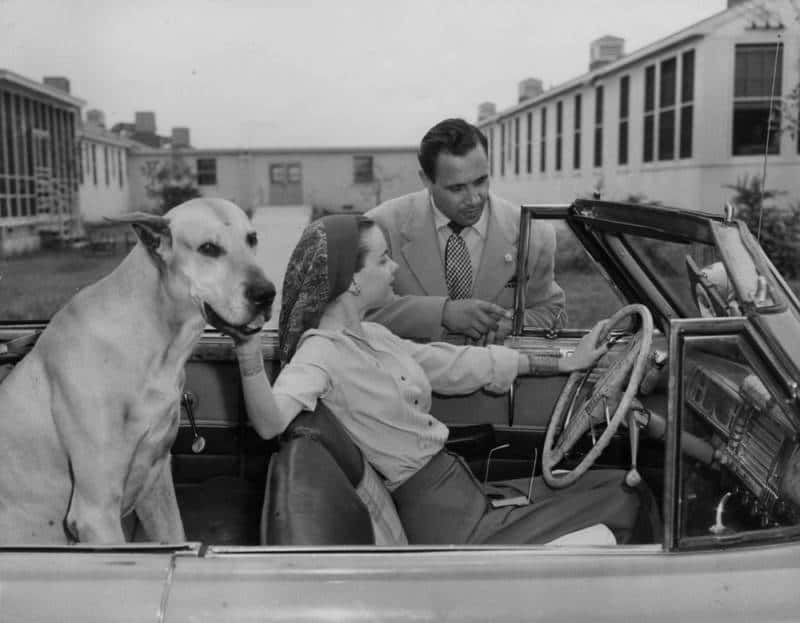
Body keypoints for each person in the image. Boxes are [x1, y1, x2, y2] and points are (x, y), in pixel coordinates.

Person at [233, 214, 659, 545]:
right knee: (625, 500)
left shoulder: (373, 336)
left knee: (613, 481)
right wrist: (248, 349)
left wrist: (565, 362)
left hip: (460, 488)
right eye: (382, 260)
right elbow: (270, 423)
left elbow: (460, 363)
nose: (394, 268)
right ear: (352, 281)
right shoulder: (321, 353)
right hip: (444, 518)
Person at [365, 118, 565, 343]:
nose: (474, 198)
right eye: (457, 188)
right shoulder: (378, 229)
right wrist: (442, 313)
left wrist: (513, 325)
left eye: (481, 181)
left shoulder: (534, 234)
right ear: (426, 180)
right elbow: (356, 312)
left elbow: (553, 313)